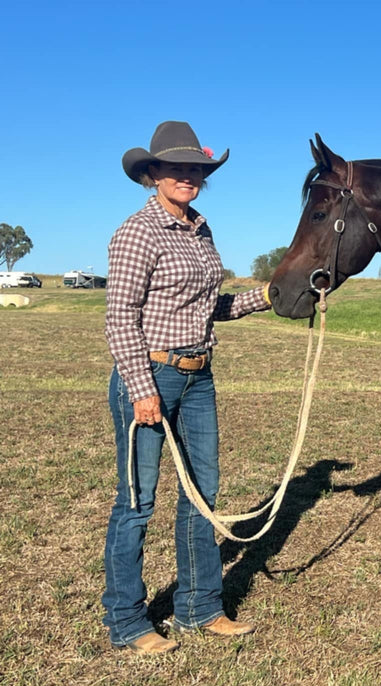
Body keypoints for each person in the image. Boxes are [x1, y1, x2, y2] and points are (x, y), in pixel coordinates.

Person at [103, 121, 272, 654]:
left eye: (196, 169)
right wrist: (141, 388)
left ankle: (199, 608)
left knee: (202, 495)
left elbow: (209, 307)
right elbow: (120, 318)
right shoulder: (138, 232)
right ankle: (127, 620)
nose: (188, 177)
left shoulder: (200, 229)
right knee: (137, 501)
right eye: (176, 168)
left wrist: (268, 295)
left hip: (199, 377)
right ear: (152, 173)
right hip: (151, 375)